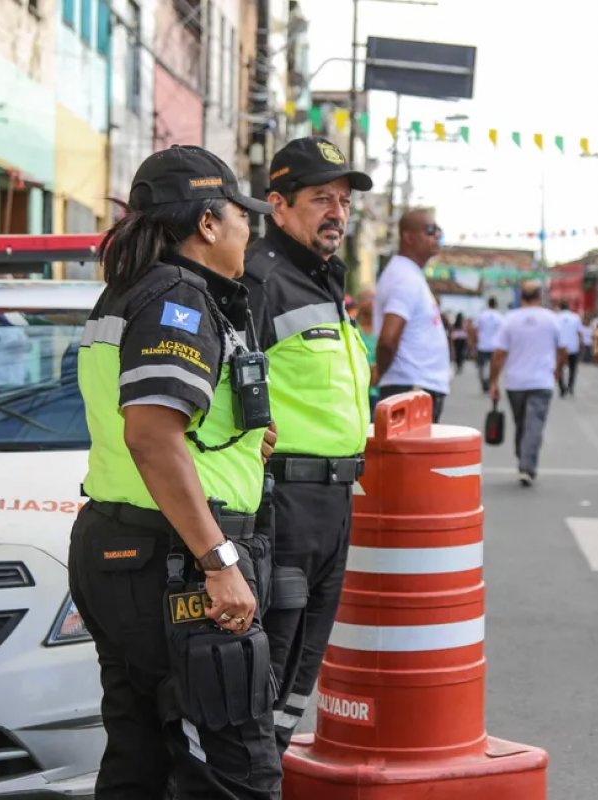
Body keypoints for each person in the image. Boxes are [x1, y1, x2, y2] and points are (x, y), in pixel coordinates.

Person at [68, 145, 280, 798]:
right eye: (241, 215)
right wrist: (218, 561)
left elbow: (167, 423)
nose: (249, 229)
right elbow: (152, 437)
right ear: (208, 224)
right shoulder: (179, 299)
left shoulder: (129, 290)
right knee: (237, 772)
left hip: (124, 550)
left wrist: (243, 443)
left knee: (141, 765)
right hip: (177, 561)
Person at [241, 136, 374, 751]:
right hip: (283, 508)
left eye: (343, 201)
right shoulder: (260, 279)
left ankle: (266, 778)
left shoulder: (322, 283)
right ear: (278, 205)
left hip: (334, 508)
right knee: (262, 681)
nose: (337, 213)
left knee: (299, 681)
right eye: (322, 198)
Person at [489, 281, 568, 486]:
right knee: (532, 426)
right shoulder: (551, 320)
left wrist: (494, 381)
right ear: (540, 297)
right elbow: (563, 349)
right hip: (542, 380)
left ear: (521, 296)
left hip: (515, 382)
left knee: (522, 424)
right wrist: (558, 370)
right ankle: (526, 462)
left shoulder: (510, 320)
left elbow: (498, 354)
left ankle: (525, 464)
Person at [376, 209, 451, 421]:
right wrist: (381, 374)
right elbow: (388, 340)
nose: (436, 235)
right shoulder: (404, 277)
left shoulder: (410, 273)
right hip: (410, 390)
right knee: (411, 455)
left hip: (415, 388)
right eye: (430, 230)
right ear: (408, 237)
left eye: (438, 230)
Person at [355, 287, 381, 415]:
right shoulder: (352, 328)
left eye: (374, 298)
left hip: (378, 390)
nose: (371, 302)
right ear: (358, 302)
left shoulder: (383, 329)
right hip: (358, 389)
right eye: (366, 298)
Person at [556, 300, 586, 397]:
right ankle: (570, 387)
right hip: (573, 347)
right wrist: (582, 345)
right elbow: (580, 333)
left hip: (560, 348)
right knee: (573, 369)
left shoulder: (556, 317)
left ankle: (562, 388)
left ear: (560, 308)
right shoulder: (575, 317)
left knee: (560, 368)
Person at [475, 297, 504, 393]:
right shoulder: (500, 316)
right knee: (494, 366)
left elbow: (476, 328)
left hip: (482, 344)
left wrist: (475, 341)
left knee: (481, 366)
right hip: (495, 346)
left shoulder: (482, 315)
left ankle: (483, 381)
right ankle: (490, 382)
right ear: (496, 304)